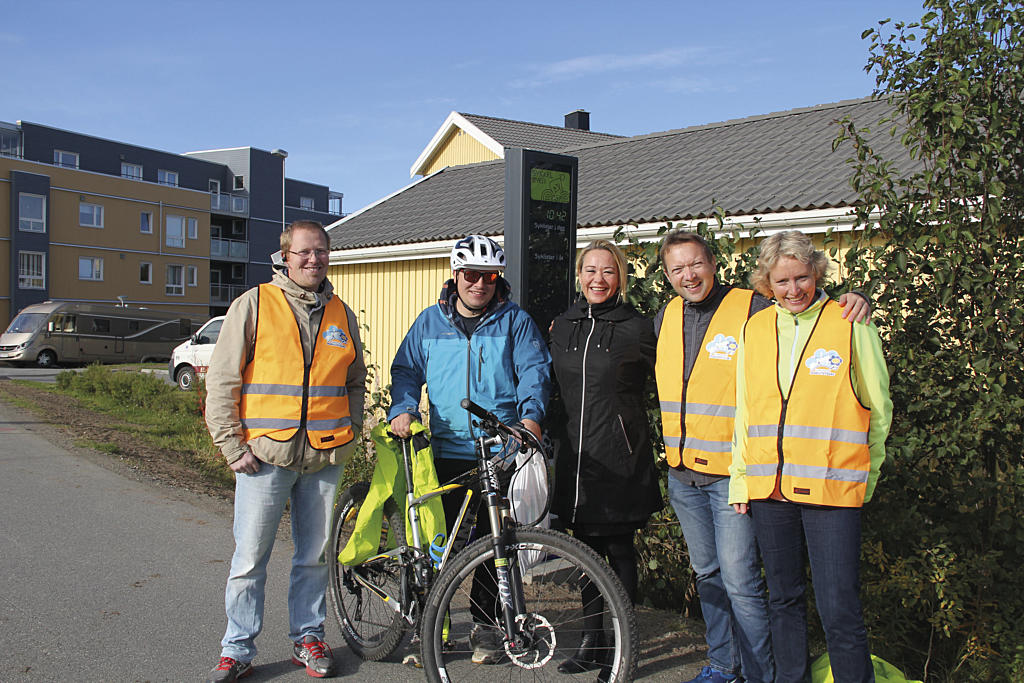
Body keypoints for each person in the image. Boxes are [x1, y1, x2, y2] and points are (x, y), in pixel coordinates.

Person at [654, 230, 870, 683]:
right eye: (677, 268)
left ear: (714, 263)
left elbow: (874, 406)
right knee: (716, 578)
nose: (688, 275)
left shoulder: (751, 309)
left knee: (749, 586)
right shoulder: (664, 317)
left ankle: (760, 674)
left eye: (695, 264)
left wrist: (857, 298)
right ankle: (724, 665)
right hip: (692, 473)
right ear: (667, 275)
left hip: (748, 478)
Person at [204, 220, 367, 682]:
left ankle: (308, 637)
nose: (313, 260)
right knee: (249, 559)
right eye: (303, 252)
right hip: (263, 458)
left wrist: (351, 430)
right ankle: (236, 648)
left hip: (323, 457)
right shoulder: (255, 304)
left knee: (313, 556)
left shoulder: (341, 313)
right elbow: (222, 380)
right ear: (284, 257)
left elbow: (355, 381)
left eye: (320, 252)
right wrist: (232, 445)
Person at [729, 230, 891, 683]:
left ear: (817, 273)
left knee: (839, 607)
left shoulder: (850, 321)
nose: (793, 289)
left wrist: (868, 476)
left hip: (834, 489)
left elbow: (878, 409)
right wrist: (741, 479)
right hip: (770, 492)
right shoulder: (754, 328)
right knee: (783, 601)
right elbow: (745, 411)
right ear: (767, 283)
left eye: (802, 277)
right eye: (782, 282)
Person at [387, 234, 552, 664]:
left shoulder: (514, 321)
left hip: (498, 450)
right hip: (444, 448)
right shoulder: (429, 322)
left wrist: (530, 420)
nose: (480, 284)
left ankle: (485, 626)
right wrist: (403, 408)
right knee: (440, 544)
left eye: (489, 276)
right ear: (455, 276)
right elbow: (405, 370)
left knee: (494, 540)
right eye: (472, 275)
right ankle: (430, 629)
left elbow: (535, 371)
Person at [548, 239, 663, 673]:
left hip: (619, 457)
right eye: (591, 271)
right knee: (585, 553)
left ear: (621, 278)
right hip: (578, 459)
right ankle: (591, 644)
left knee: (618, 549)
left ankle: (622, 648)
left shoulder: (638, 328)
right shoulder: (563, 325)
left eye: (608, 271)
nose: (599, 279)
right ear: (579, 276)